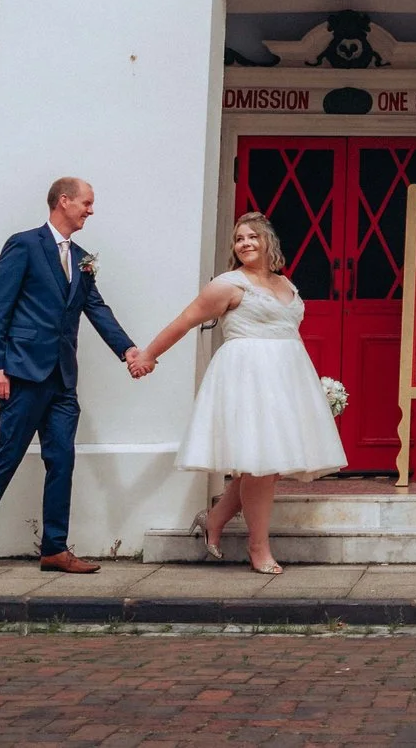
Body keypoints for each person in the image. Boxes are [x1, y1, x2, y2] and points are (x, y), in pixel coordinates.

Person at [0, 177, 150, 577]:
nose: (91, 210)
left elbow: (96, 308)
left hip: (62, 379)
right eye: (86, 203)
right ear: (64, 201)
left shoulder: (82, 258)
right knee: (6, 458)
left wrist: (127, 349)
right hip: (23, 372)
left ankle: (55, 548)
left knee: (62, 461)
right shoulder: (24, 245)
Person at [140, 210, 346, 574]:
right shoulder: (228, 285)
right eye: (239, 239)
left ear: (269, 242)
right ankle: (258, 547)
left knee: (264, 462)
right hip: (247, 377)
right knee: (261, 466)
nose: (245, 243)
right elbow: (184, 321)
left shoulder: (286, 285)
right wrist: (148, 356)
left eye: (252, 236)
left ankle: (214, 519)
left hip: (286, 376)